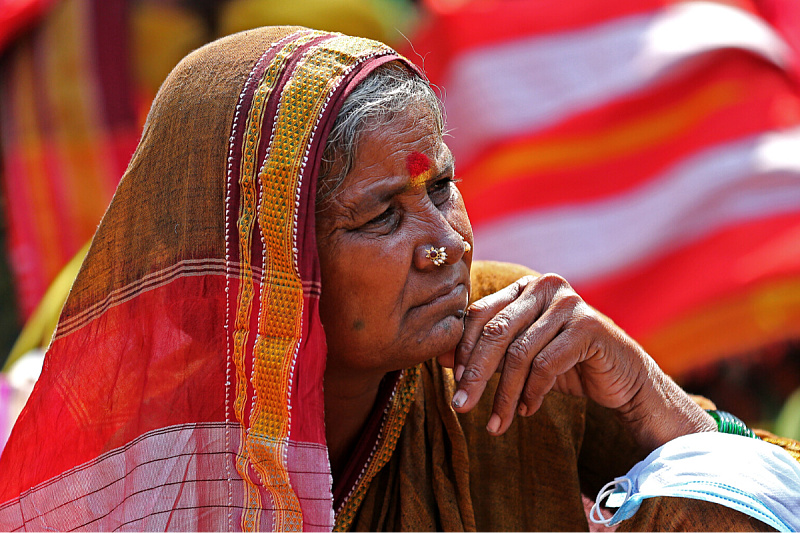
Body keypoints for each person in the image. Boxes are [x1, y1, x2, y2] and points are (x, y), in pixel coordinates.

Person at [0, 26, 797, 531]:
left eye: (442, 187)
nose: (444, 242)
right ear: (275, 267)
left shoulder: (514, 356)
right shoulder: (146, 467)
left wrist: (649, 397)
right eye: (382, 215)